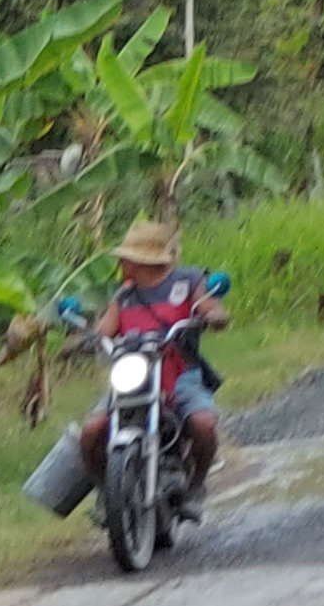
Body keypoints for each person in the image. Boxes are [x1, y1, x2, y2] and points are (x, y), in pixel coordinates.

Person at [71, 218, 226, 514]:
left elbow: (210, 308)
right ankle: (106, 492)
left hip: (179, 373)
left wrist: (214, 316)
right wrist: (83, 340)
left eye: (126, 258)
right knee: (91, 431)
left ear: (142, 262)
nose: (121, 264)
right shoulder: (124, 295)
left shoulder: (188, 281)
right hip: (133, 375)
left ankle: (196, 485)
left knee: (203, 424)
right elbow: (104, 330)